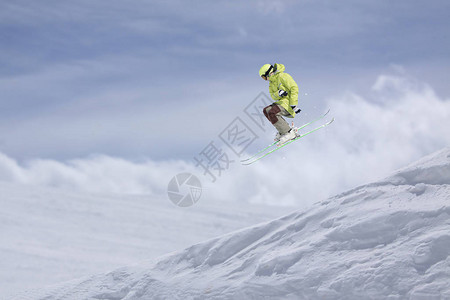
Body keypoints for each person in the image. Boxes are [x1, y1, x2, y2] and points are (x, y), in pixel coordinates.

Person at [259, 63, 301, 145]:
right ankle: (282, 130)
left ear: (269, 73)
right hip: (281, 103)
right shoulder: (271, 83)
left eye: (264, 77)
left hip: (288, 104)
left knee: (272, 112)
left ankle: (289, 132)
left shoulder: (283, 76)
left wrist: (294, 104)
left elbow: (294, 88)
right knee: (266, 110)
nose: (265, 79)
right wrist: (279, 93)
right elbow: (273, 96)